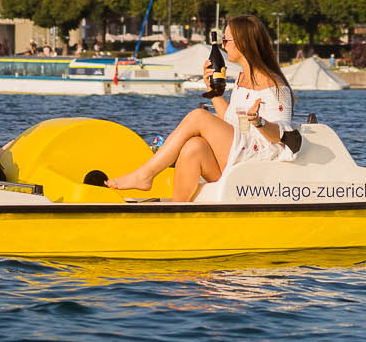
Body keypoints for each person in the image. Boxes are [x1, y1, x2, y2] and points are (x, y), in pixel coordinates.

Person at [108, 14, 298, 201]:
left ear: (243, 43)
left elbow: (284, 136)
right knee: (194, 147)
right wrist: (213, 92)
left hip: (257, 160)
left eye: (226, 40)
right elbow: (230, 120)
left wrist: (259, 122)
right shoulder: (242, 78)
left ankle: (145, 175)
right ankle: (176, 210)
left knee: (199, 116)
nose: (223, 45)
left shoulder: (273, 83)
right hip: (238, 152)